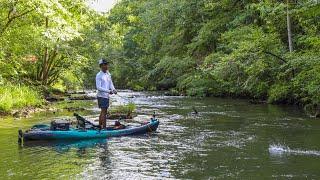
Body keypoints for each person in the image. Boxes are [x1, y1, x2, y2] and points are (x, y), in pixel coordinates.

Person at [96, 59, 117, 129]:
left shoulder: (108, 74)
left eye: (107, 64)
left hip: (106, 96)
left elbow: (110, 83)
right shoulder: (98, 75)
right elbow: (98, 87)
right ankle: (104, 128)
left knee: (103, 111)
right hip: (101, 96)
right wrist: (108, 91)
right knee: (104, 112)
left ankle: (100, 127)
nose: (106, 66)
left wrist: (113, 89)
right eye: (105, 64)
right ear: (101, 66)